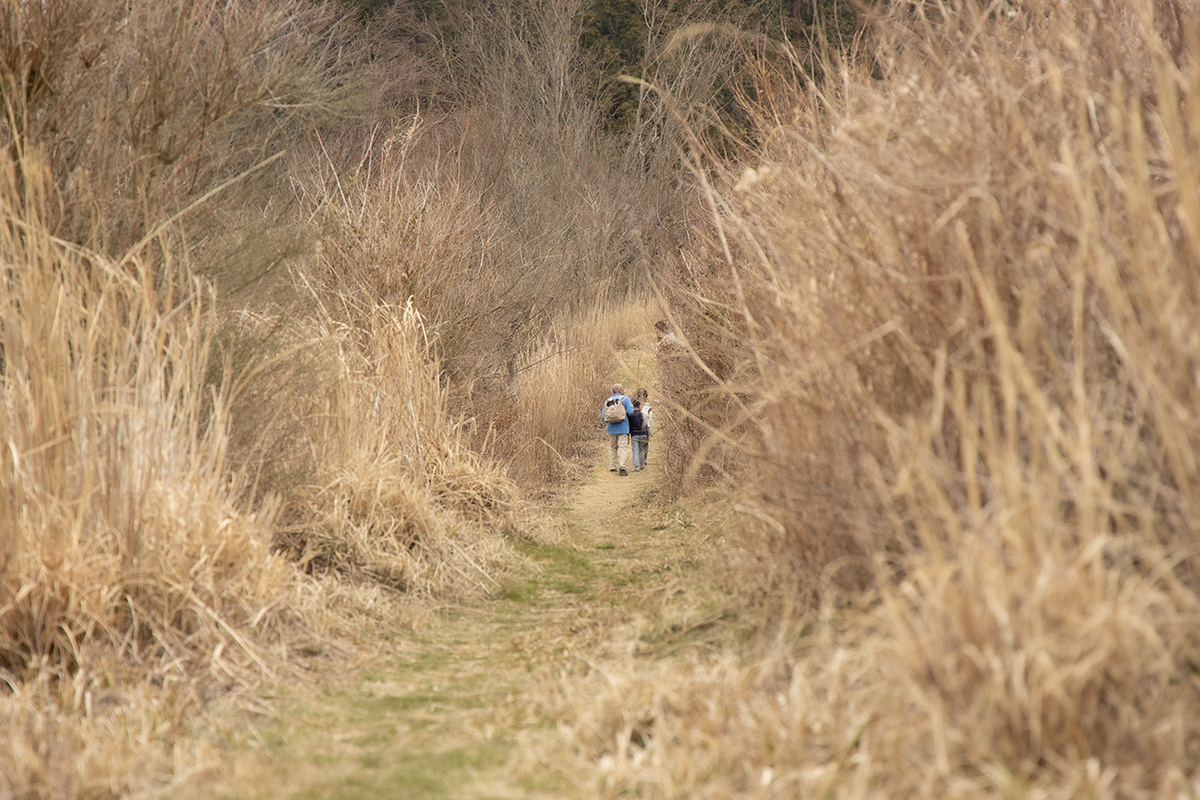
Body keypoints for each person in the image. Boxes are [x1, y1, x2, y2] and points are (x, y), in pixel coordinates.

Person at [600, 383, 635, 476]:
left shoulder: (607, 401)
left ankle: (612, 466)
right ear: (620, 390)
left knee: (612, 447)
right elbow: (631, 412)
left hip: (611, 428)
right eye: (623, 389)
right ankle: (622, 467)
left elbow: (603, 417)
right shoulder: (625, 399)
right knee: (623, 448)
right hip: (623, 427)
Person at [629, 399, 649, 471]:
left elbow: (629, 425)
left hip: (635, 434)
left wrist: (629, 433)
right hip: (643, 433)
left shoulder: (631, 414)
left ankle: (636, 467)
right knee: (641, 449)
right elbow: (646, 425)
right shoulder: (643, 414)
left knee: (635, 450)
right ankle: (642, 464)